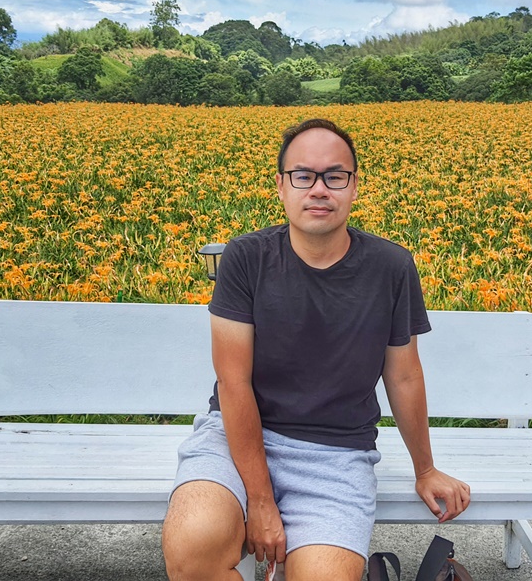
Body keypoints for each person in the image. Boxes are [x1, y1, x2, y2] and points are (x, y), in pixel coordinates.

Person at [162, 118, 470, 581]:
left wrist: (425, 468)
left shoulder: (391, 266)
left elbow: (404, 375)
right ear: (282, 187)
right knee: (192, 553)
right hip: (236, 438)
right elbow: (233, 382)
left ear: (354, 186)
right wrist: (261, 500)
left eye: (335, 176)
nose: (319, 189)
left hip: (336, 454)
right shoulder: (246, 258)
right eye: (303, 176)